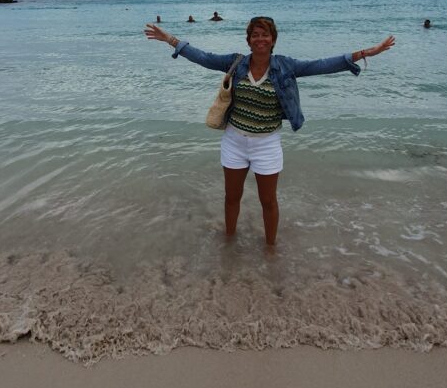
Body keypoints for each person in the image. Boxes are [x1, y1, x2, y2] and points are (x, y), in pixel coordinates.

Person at [144, 17, 395, 245]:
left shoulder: (286, 66)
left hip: (267, 144)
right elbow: (203, 57)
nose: (260, 39)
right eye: (255, 35)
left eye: (265, 34)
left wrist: (367, 52)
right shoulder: (236, 63)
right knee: (231, 197)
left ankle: (271, 249)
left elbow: (323, 65)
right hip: (234, 141)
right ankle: (228, 243)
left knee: (268, 201)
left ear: (273, 39)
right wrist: (170, 40)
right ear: (248, 40)